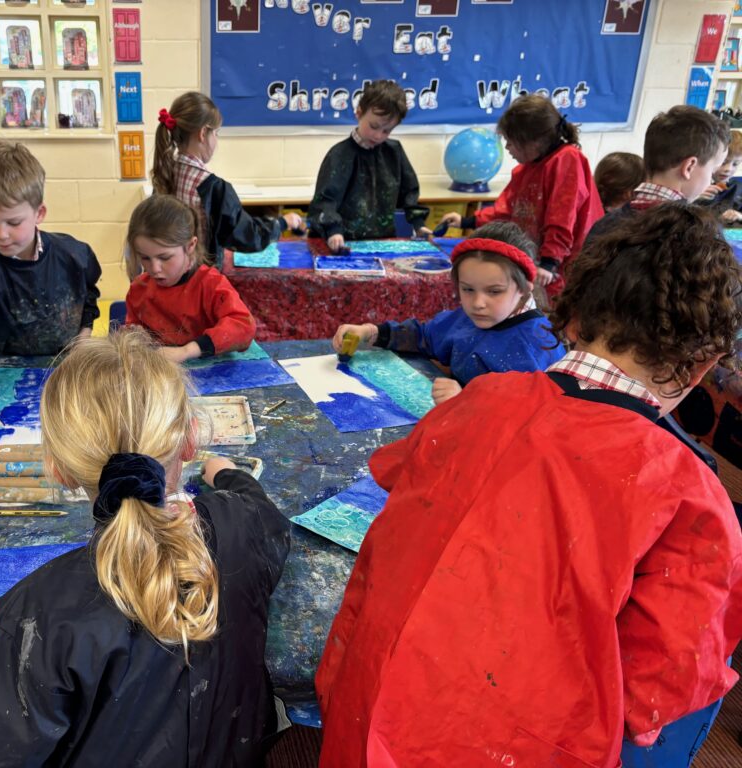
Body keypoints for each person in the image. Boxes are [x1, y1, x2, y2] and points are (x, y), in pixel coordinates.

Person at [316, 204, 742, 768]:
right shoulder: (689, 493)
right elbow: (665, 688)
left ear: (568, 321)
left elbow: (395, 475)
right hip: (509, 743)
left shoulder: (480, 400)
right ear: (699, 368)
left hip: (366, 690)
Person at [0, 328, 292, 767]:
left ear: (57, 470)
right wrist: (230, 475)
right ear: (191, 440)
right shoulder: (243, 525)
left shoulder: (41, 611)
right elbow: (261, 511)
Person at [0, 139, 101, 423]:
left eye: (13, 223)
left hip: (61, 369)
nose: (1, 234)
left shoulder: (74, 255)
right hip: (3, 375)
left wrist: (84, 334)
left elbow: (88, 292)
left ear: (39, 213)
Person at [331, 221, 564, 407]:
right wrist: (370, 332)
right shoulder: (467, 317)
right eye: (467, 289)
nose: (478, 303)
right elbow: (424, 335)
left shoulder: (538, 347)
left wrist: (466, 402)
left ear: (525, 289)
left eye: (494, 291)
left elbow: (532, 420)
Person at [437, 94, 604, 298]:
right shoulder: (527, 169)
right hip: (539, 264)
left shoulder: (567, 160)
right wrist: (467, 221)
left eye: (511, 141)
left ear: (534, 141)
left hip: (563, 267)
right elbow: (507, 212)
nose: (506, 148)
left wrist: (550, 262)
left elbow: (562, 218)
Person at [151, 91, 303, 268]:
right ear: (202, 133)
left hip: (171, 276)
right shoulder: (213, 188)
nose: (216, 140)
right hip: (200, 281)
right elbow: (248, 236)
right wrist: (283, 222)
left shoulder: (166, 173)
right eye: (216, 133)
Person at [124, 194, 256, 363]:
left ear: (190, 246)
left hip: (214, 376)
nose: (154, 269)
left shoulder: (210, 284)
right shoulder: (139, 289)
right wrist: (135, 335)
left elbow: (243, 326)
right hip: (163, 376)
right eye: (145, 258)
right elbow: (133, 327)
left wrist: (187, 351)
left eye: (165, 258)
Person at [308, 79, 429, 253]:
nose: (379, 135)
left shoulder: (394, 152)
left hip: (381, 242)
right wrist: (333, 231)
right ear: (359, 113)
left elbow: (409, 194)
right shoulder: (339, 155)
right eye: (374, 126)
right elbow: (325, 201)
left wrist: (419, 225)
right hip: (342, 243)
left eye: (387, 131)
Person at [588, 105, 729, 241]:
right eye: (712, 171)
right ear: (689, 167)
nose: (710, 180)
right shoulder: (702, 234)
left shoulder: (603, 224)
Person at [696, 127, 742, 225]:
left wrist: (739, 216)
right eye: (723, 162)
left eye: (735, 164)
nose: (728, 169)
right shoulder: (695, 186)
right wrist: (694, 197)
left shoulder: (738, 188)